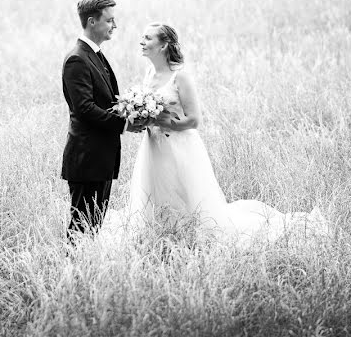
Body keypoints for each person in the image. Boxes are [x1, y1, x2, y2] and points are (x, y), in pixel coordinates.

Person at [124, 22, 329, 246]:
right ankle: (162, 235)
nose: (142, 42)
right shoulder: (149, 73)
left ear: (163, 46)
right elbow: (149, 109)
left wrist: (163, 121)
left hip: (180, 146)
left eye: (147, 38)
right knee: (157, 188)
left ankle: (194, 236)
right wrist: (142, 118)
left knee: (186, 190)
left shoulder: (180, 77)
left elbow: (194, 120)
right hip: (154, 146)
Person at [61, 0, 144, 241]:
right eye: (109, 20)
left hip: (100, 157)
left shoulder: (94, 54)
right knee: (81, 226)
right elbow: (84, 109)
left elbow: (105, 101)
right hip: (87, 159)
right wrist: (125, 124)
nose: (114, 26)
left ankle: (83, 272)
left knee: (93, 226)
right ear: (92, 22)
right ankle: (71, 273)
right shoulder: (77, 59)